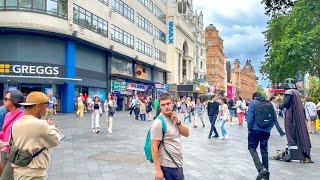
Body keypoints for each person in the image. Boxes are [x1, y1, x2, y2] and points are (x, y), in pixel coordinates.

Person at [11, 91, 60, 179]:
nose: (45, 111)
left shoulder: (16, 123)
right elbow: (55, 140)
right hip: (33, 173)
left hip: (18, 171)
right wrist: (52, 126)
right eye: (45, 107)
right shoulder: (41, 125)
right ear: (37, 106)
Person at [150, 93, 189, 180]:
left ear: (172, 103)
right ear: (160, 107)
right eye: (163, 105)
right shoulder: (158, 123)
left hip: (177, 164)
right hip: (167, 166)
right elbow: (154, 147)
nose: (166, 107)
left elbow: (187, 133)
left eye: (168, 104)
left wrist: (178, 121)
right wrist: (158, 171)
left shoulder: (174, 116)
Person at [279, 79, 312, 163]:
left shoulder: (289, 92)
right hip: (296, 115)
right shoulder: (296, 92)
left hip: (290, 113)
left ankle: (293, 146)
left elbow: (285, 103)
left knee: (290, 129)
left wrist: (281, 106)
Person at [247, 92, 276, 180]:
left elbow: (250, 118)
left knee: (252, 148)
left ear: (254, 97)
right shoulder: (269, 103)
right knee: (264, 151)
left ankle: (261, 169)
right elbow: (274, 118)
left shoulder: (253, 103)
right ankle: (266, 175)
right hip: (266, 131)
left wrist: (249, 129)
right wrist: (269, 128)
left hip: (255, 130)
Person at [0, 90, 24, 180]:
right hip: (4, 151)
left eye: (6, 99)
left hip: (14, 152)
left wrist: (8, 143)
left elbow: (23, 138)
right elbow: (3, 132)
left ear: (14, 100)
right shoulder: (7, 115)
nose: (4, 101)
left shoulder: (22, 117)